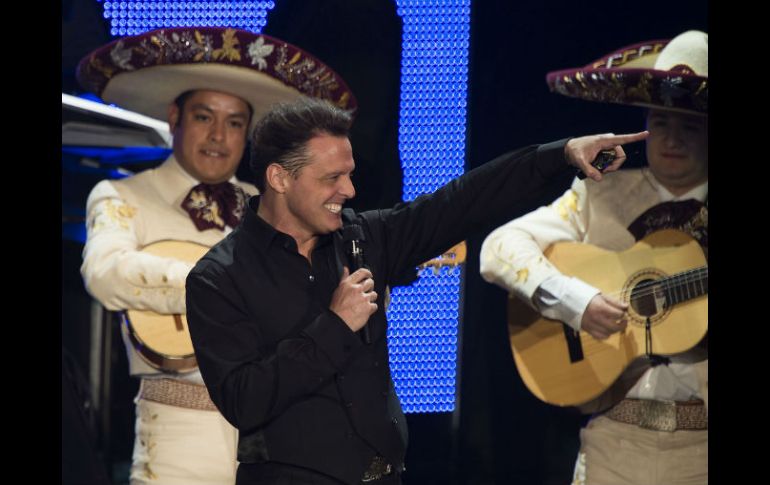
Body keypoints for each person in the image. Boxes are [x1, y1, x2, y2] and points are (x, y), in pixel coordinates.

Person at [184, 95, 647, 484]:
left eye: (349, 173)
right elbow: (244, 400)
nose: (348, 189)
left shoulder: (364, 238)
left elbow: (463, 201)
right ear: (279, 178)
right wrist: (335, 325)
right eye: (331, 178)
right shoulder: (218, 277)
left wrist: (561, 153)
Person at [77, 26, 356, 485]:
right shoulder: (122, 195)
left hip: (279, 436)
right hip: (175, 439)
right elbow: (105, 273)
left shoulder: (273, 201)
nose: (218, 136)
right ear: (175, 117)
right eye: (204, 117)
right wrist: (217, 286)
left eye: (234, 123)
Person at [480, 30, 708, 485]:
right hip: (611, 443)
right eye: (661, 122)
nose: (673, 139)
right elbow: (497, 249)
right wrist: (576, 301)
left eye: (691, 126)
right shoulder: (598, 195)